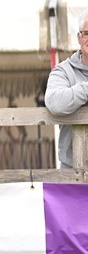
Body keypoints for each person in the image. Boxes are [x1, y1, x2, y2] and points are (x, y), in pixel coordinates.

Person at [46, 16, 88, 168]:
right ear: (79, 37)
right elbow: (55, 103)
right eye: (86, 33)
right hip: (73, 172)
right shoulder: (63, 71)